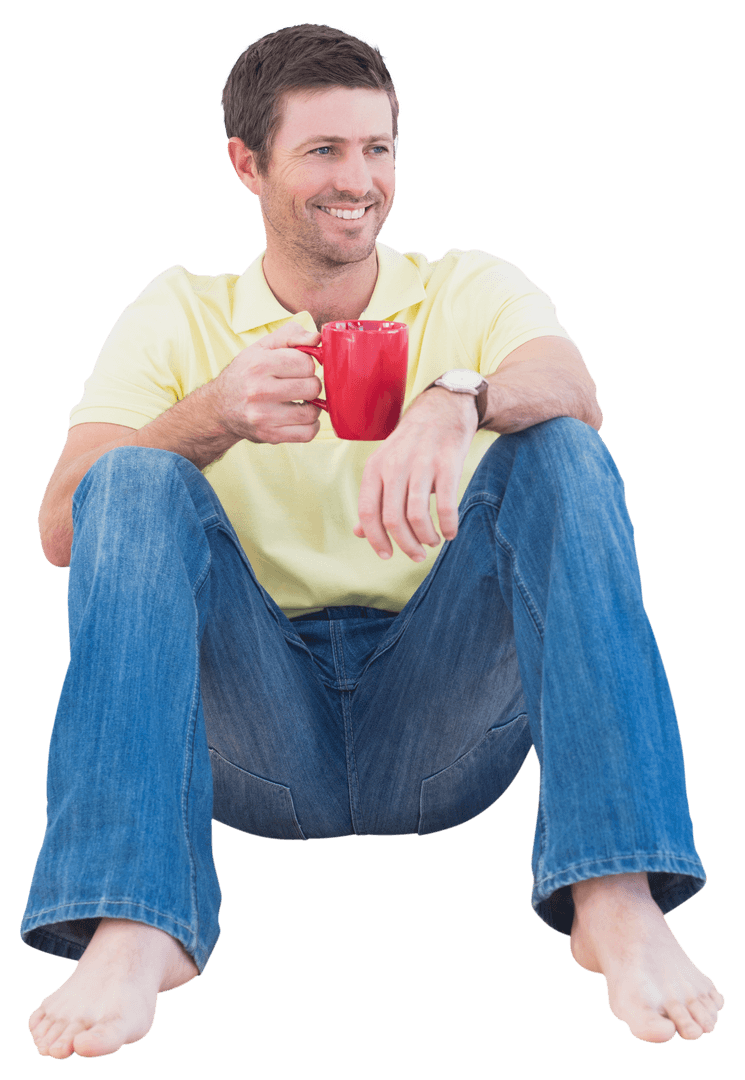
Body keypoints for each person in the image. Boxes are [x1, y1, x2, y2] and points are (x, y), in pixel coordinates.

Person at [23, 22, 724, 1059]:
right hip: (253, 731)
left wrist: (459, 398)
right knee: (129, 475)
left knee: (563, 453)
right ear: (247, 165)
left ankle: (612, 889)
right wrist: (210, 414)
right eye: (322, 151)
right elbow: (61, 525)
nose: (358, 179)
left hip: (439, 715)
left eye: (376, 149)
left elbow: (574, 389)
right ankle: (133, 917)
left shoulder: (467, 288)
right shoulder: (178, 313)